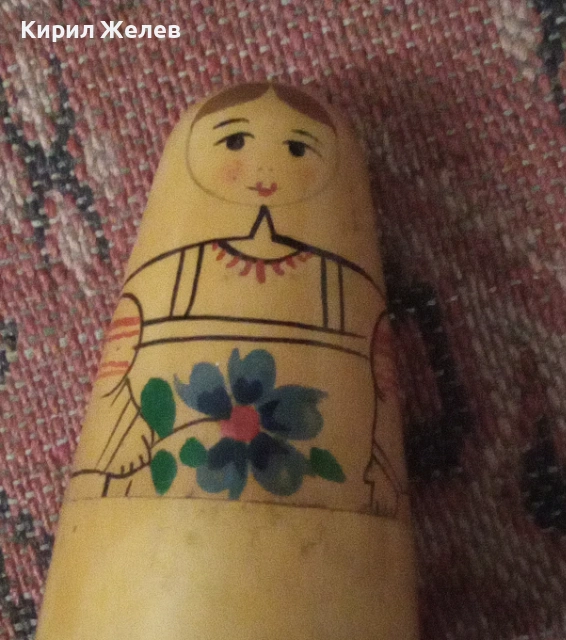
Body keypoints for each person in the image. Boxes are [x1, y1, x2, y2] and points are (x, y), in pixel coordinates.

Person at [68, 83, 406, 517]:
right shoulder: (172, 274)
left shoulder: (345, 288)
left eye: (297, 150)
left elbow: (380, 387)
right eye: (234, 142)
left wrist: (381, 473)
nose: (264, 168)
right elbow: (119, 378)